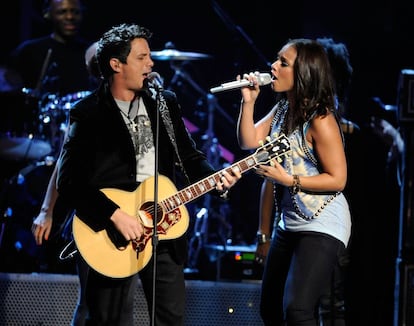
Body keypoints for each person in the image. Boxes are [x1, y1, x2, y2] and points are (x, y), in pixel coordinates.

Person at [55, 23, 241, 325]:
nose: (151, 64)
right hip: (113, 233)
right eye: (141, 58)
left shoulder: (163, 102)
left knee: (170, 317)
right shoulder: (87, 113)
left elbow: (189, 156)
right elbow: (70, 181)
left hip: (163, 228)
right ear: (116, 64)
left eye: (149, 57)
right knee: (108, 319)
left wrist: (215, 178)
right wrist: (114, 214)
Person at [236, 39, 352, 325]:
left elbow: (338, 179)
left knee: (298, 310)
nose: (273, 67)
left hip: (323, 220)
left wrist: (289, 179)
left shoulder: (321, 120)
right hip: (290, 221)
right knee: (269, 308)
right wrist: (247, 102)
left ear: (304, 73)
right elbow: (248, 141)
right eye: (276, 60)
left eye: (283, 63)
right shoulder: (282, 110)